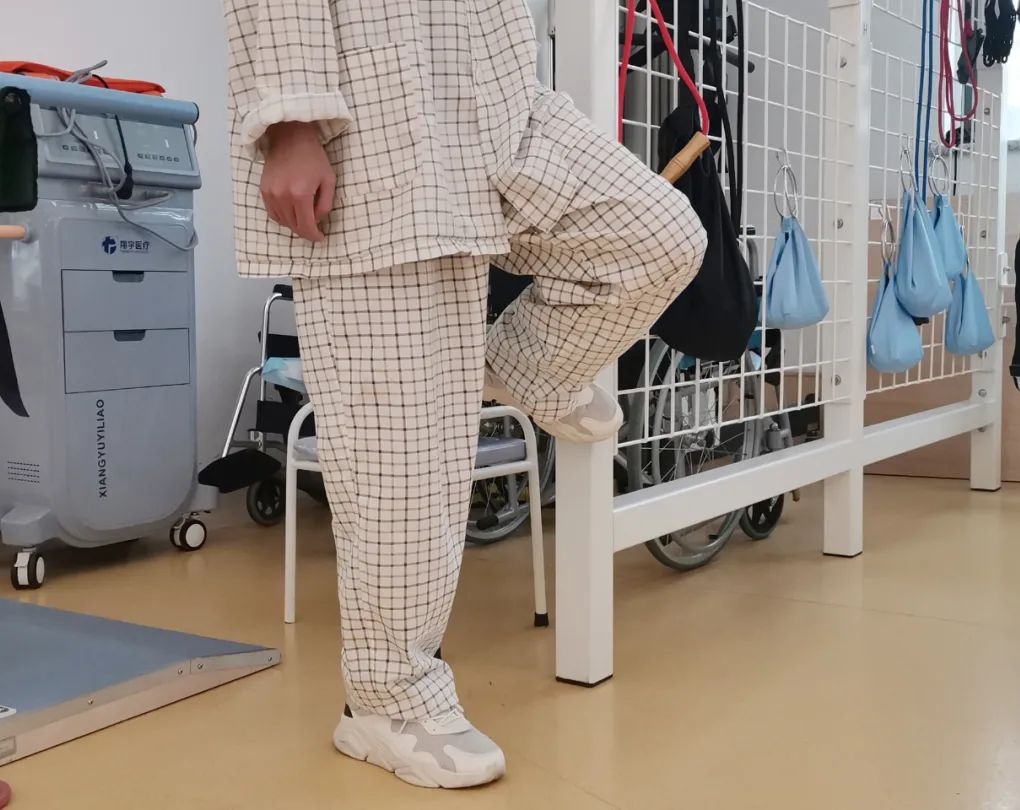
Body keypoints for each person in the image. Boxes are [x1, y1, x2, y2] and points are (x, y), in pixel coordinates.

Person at [225, 0, 706, 789]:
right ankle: (387, 702)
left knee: (657, 234)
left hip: (494, 88)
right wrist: (291, 119)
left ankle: (525, 366)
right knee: (403, 463)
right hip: (372, 106)